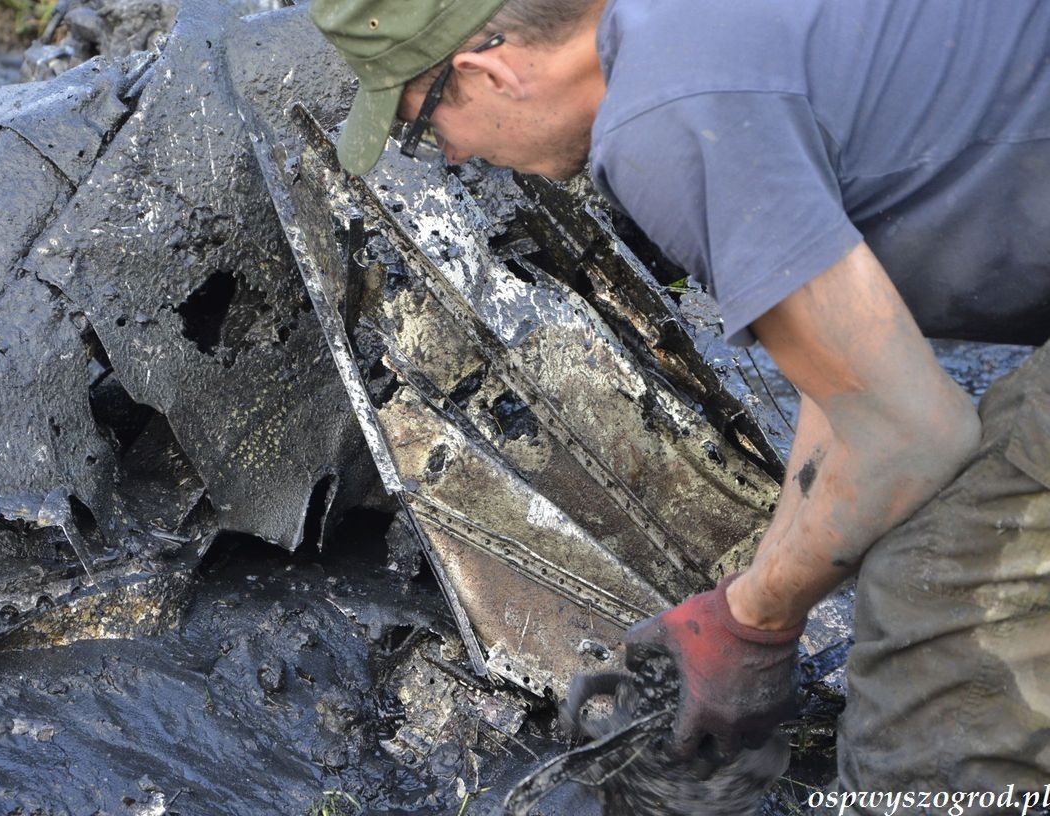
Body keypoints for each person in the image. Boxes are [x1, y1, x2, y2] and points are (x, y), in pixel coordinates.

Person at [309, 0, 1050, 809]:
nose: (450, 159)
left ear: (489, 71)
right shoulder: (682, 33)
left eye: (423, 126)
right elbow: (848, 385)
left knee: (936, 596)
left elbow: (915, 433)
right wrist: (750, 601)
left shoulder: (661, 122)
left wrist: (755, 622)